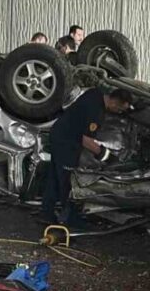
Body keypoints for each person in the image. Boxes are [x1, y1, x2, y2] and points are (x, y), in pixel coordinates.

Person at [40, 87, 133, 227]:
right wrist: (106, 156)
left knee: (54, 176)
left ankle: (46, 213)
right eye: (120, 110)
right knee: (68, 181)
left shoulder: (95, 93)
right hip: (66, 142)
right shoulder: (95, 112)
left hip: (59, 133)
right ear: (114, 102)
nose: (119, 113)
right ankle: (69, 218)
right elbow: (86, 140)